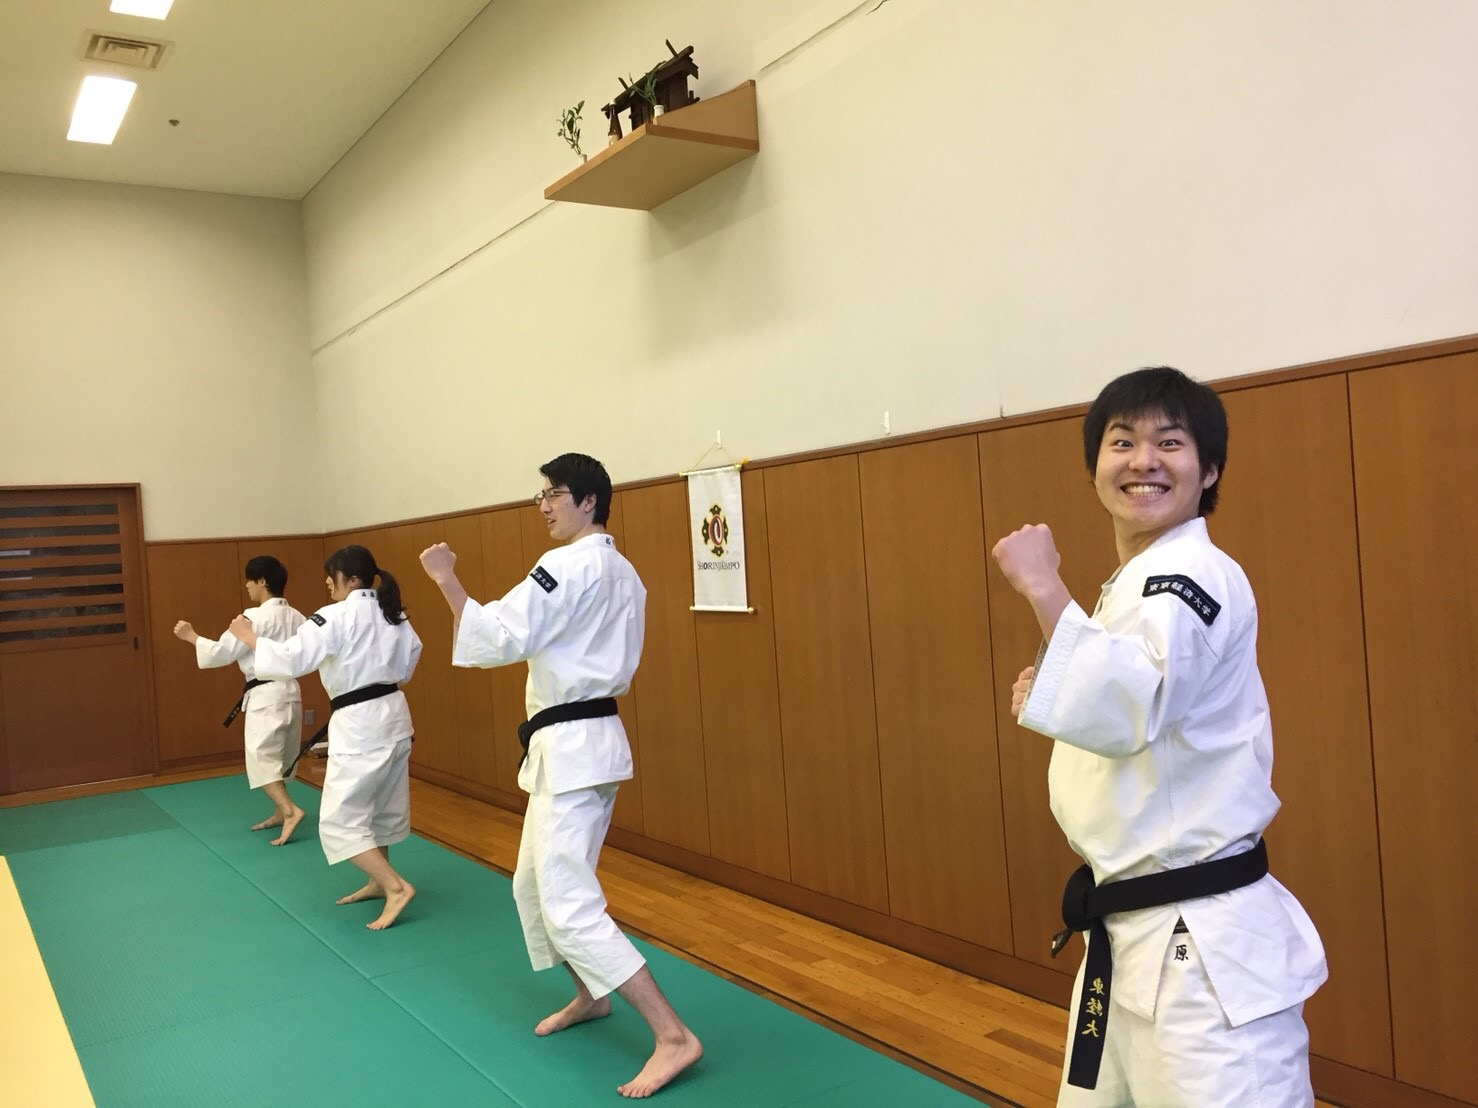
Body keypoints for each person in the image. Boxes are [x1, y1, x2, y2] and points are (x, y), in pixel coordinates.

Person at [991, 367, 1326, 1106]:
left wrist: (1045, 588)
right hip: (1130, 933)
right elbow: (1135, 708)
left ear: (1209, 470)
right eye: (1122, 442)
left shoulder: (1189, 575)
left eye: (1169, 443)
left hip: (1199, 950)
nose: (1143, 460)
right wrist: (1056, 685)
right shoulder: (1138, 581)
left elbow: (1127, 707)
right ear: (1094, 466)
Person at [419, 452, 701, 1100]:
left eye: (554, 494)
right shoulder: (624, 572)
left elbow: (499, 636)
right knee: (531, 886)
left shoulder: (567, 565)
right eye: (540, 494)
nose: (544, 505)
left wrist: (447, 580)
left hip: (575, 748)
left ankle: (673, 1036)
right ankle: (591, 994)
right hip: (582, 745)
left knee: (568, 903)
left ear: (588, 501)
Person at [229, 545, 422, 931]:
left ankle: (396, 887)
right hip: (394, 717)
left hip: (361, 725)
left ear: (352, 579)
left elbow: (291, 659)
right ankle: (378, 881)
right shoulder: (393, 614)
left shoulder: (335, 615)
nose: (328, 584)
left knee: (339, 819)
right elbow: (410, 660)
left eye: (332, 577)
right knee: (379, 807)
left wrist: (250, 638)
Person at [173, 554, 307, 845]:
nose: (247, 586)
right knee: (280, 757)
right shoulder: (298, 617)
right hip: (292, 693)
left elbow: (221, 652)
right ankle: (280, 810)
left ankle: (289, 810)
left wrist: (192, 636)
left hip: (266, 695)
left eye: (250, 580)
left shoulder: (253, 617)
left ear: (262, 581)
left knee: (261, 758)